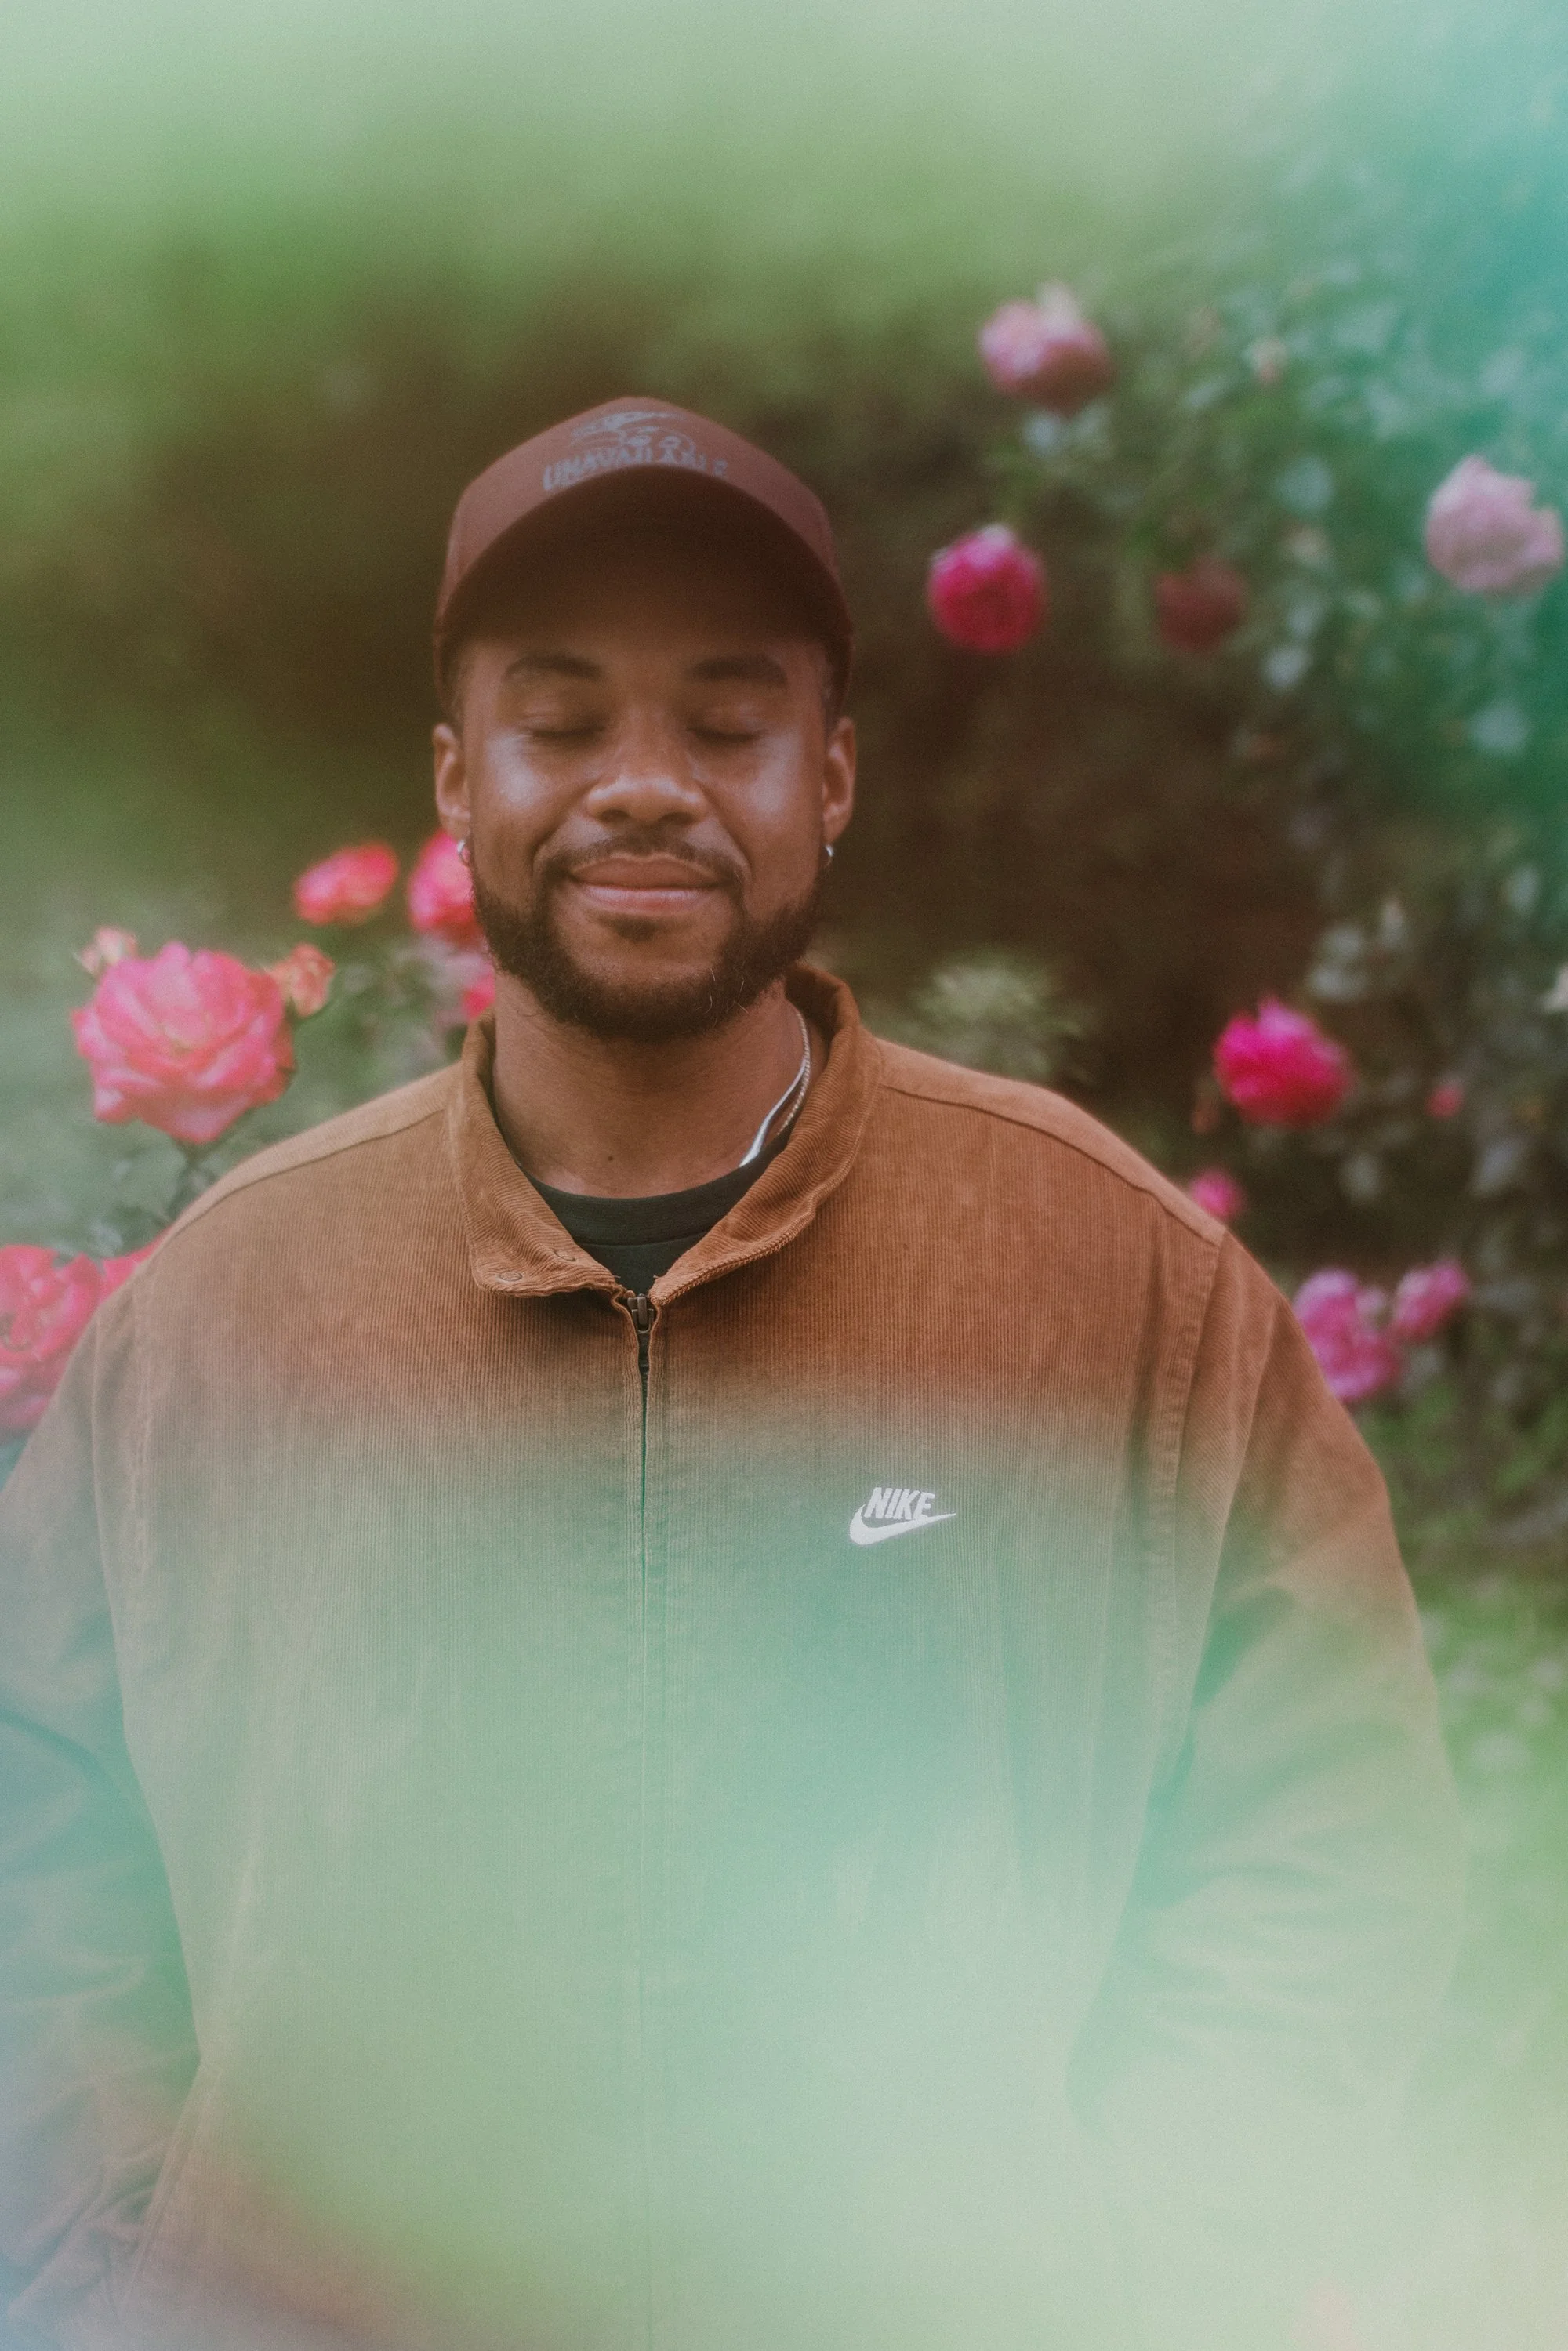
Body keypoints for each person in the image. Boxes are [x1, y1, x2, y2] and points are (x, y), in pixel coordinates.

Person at [0, 398, 1461, 2351]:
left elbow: (1325, 1848)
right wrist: (118, 2276)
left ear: (830, 771)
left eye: (724, 717)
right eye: (563, 714)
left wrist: (1146, 2277)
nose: (644, 785)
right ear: (456, 773)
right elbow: (40, 1855)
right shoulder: (222, 1315)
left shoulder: (1120, 1285)